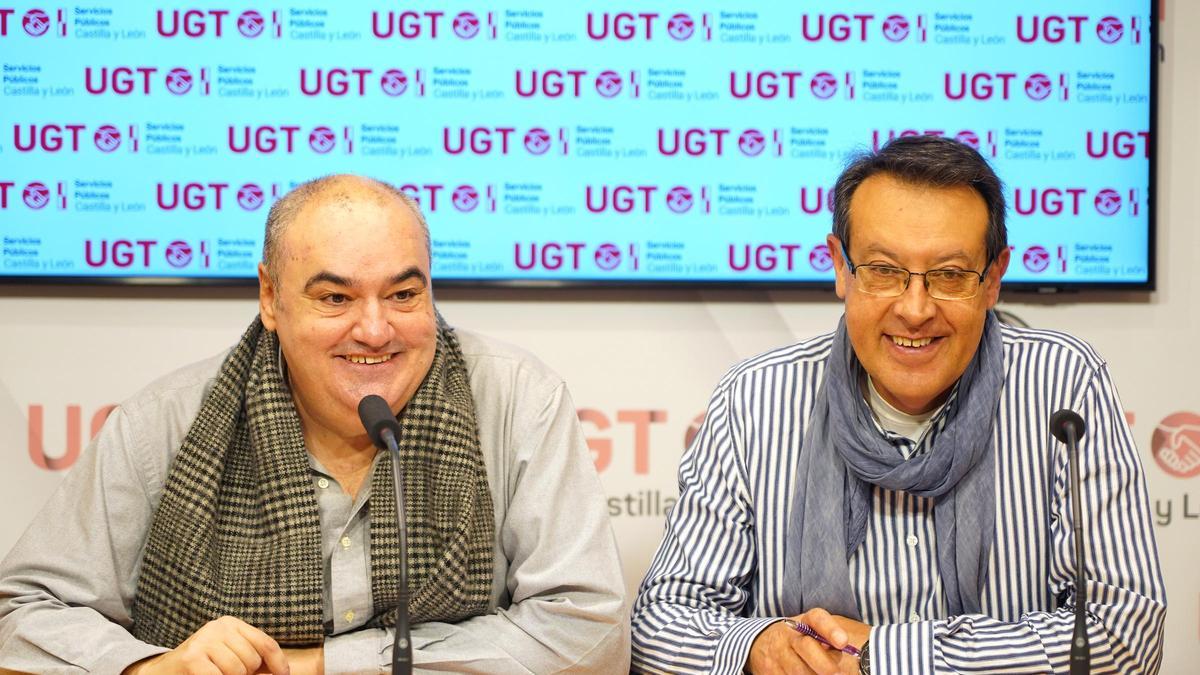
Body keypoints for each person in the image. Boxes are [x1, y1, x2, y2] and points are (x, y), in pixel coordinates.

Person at [0, 175, 629, 674]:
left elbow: (586, 633)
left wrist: (325, 666)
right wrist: (150, 668)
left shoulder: (519, 400)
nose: (377, 330)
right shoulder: (166, 421)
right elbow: (22, 616)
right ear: (271, 300)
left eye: (405, 295)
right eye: (336, 298)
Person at [630, 136, 1166, 674]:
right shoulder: (756, 399)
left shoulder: (1063, 387)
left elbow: (1125, 635)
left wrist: (883, 656)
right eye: (884, 270)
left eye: (951, 275)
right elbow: (660, 625)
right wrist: (760, 646)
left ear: (993, 279)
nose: (915, 310)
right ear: (841, 267)